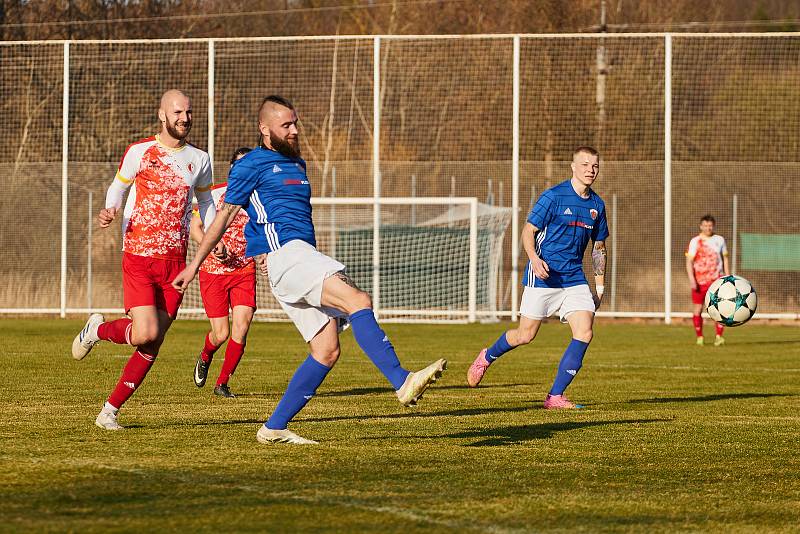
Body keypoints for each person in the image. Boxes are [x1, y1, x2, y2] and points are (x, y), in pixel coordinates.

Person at [173, 95, 447, 445]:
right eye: (286, 125)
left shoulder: (298, 164)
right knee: (358, 299)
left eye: (295, 123)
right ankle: (401, 380)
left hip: (299, 257)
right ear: (265, 128)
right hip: (288, 257)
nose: (294, 130)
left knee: (326, 350)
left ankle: (273, 427)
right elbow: (223, 217)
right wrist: (195, 265)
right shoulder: (251, 163)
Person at [71, 89, 219, 430]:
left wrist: (214, 235)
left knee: (154, 340)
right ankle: (97, 329)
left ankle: (109, 411)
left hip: (175, 262)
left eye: (189, 112)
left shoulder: (200, 159)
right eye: (178, 111)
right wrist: (111, 210)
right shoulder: (140, 152)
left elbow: (207, 204)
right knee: (144, 332)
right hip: (138, 255)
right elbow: (118, 187)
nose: (185, 117)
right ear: (162, 115)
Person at [466, 146, 608, 409]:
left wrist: (599, 288)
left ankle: (555, 396)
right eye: (585, 164)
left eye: (595, 166)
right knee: (525, 335)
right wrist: (533, 258)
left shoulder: (597, 205)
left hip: (574, 278)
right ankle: (487, 356)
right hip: (543, 276)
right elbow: (528, 230)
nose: (591, 170)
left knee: (585, 332)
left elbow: (598, 248)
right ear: (573, 167)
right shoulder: (553, 197)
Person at [190, 147, 255, 398]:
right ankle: (206, 355)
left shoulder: (258, 199)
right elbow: (195, 226)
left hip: (243, 271)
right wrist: (211, 243)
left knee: (242, 326)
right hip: (213, 272)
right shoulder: (216, 194)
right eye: (238, 165)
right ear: (231, 168)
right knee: (221, 334)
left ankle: (222, 383)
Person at [685, 214, 730, 346]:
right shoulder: (695, 241)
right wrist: (692, 279)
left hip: (717, 280)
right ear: (701, 226)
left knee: (719, 309)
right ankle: (699, 337)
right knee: (698, 309)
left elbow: (725, 259)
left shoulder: (720, 240)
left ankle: (718, 337)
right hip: (700, 281)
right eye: (705, 225)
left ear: (713, 226)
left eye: (710, 225)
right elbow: (689, 262)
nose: (708, 228)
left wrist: (728, 277)